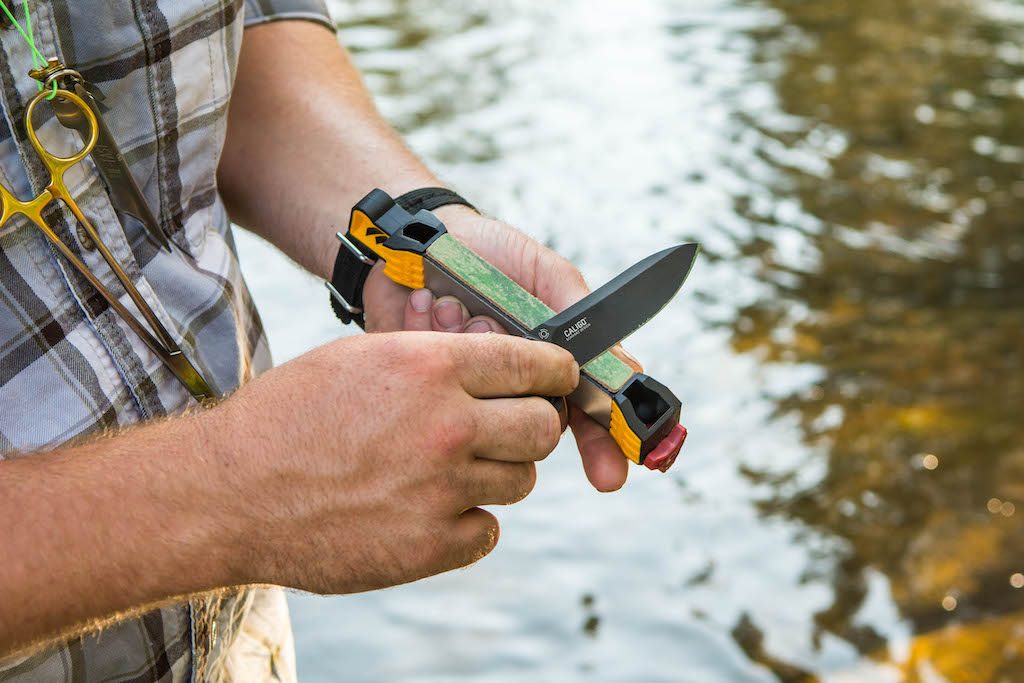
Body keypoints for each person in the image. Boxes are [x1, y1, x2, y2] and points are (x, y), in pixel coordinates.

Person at [0, 1, 636, 680]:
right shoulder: (246, 500)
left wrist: (417, 232)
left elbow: (217, 55)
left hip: (242, 648)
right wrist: (234, 491)